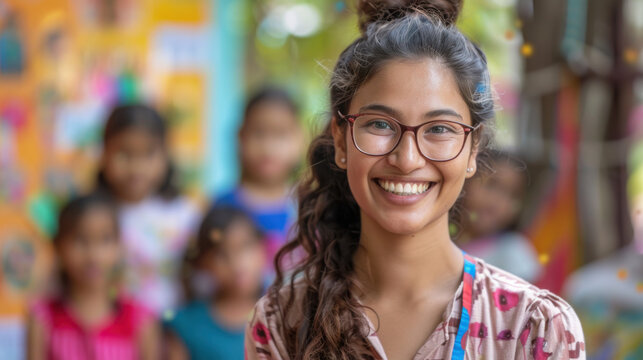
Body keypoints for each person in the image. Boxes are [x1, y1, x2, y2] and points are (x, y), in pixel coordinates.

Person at [244, 1, 585, 359]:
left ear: (473, 150)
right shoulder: (283, 321)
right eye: (379, 124)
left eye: (439, 128)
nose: (406, 160)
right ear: (342, 141)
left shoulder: (535, 328)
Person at [26, 193, 159, 360]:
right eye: (80, 240)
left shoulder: (140, 321)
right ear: (58, 246)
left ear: (120, 246)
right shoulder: (43, 317)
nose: (93, 256)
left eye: (105, 240)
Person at [97, 104, 200, 316]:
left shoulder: (185, 214)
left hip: (171, 327)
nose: (136, 166)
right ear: (104, 153)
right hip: (112, 335)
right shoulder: (94, 215)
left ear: (166, 154)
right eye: (124, 153)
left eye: (148, 154)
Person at [215, 87, 303, 273]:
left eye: (280, 135)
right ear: (240, 136)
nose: (268, 147)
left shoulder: (309, 208)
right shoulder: (222, 207)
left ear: (299, 139)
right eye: (258, 133)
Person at [165, 206, 266, 360]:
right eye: (221, 254)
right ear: (204, 263)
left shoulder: (283, 317)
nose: (237, 263)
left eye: (246, 246)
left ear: (262, 247)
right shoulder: (186, 325)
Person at [456, 150, 541, 282]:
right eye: (492, 185)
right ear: (466, 180)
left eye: (512, 195)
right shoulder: (443, 242)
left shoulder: (514, 251)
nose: (498, 201)